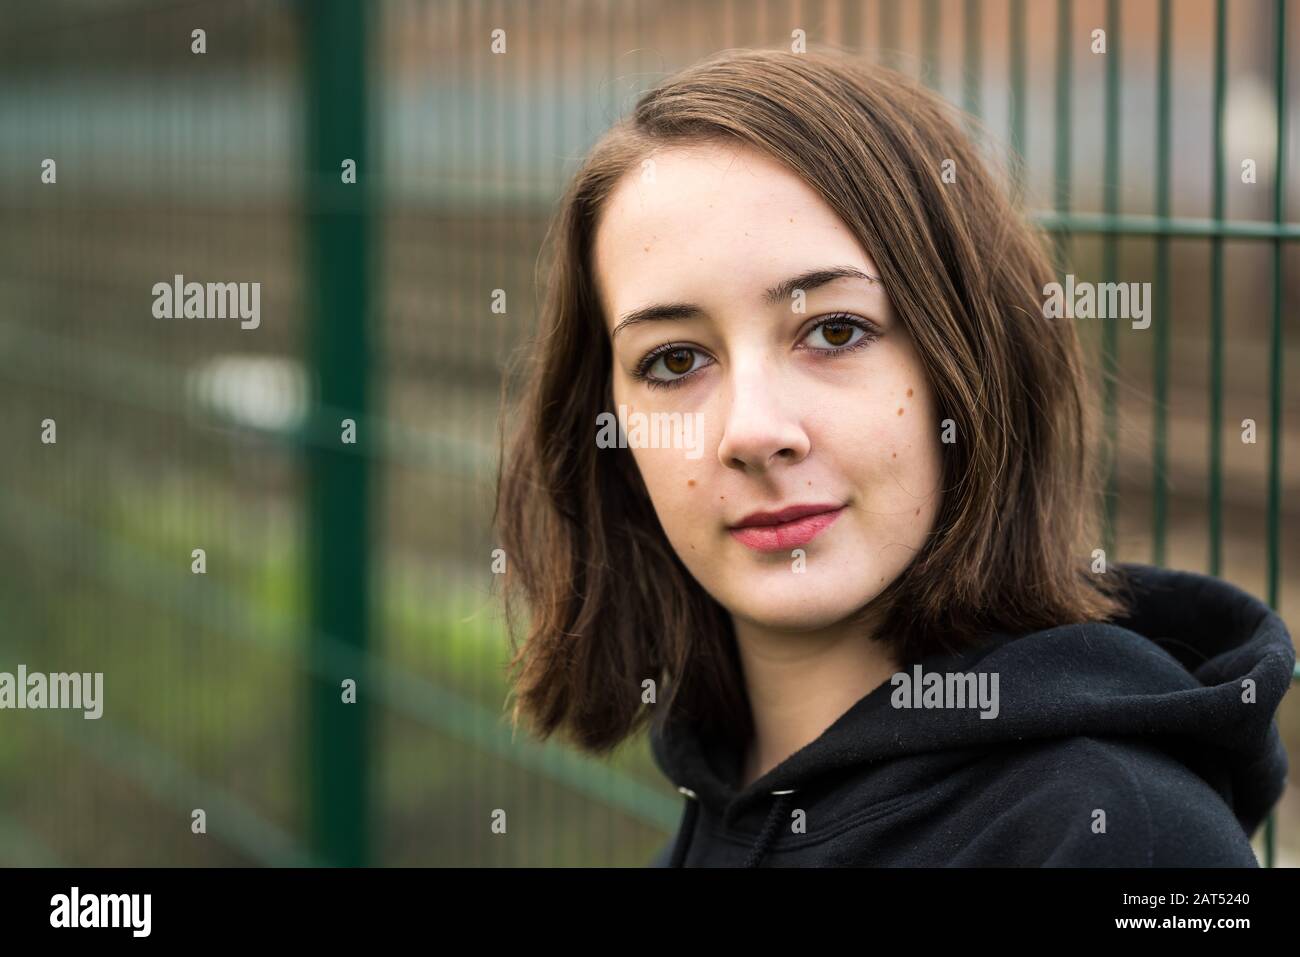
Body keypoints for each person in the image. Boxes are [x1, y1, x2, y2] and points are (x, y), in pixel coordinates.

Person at [492, 48, 1293, 867]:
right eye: (673, 360)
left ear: (968, 364)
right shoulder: (725, 804)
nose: (754, 431)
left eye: (835, 331)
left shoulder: (1121, 835)